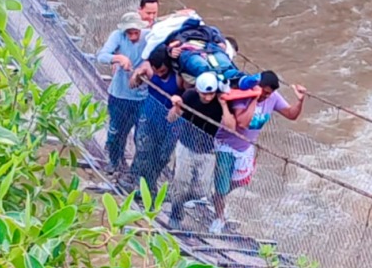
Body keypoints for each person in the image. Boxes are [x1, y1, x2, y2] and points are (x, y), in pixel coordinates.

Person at [210, 71, 307, 233]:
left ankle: (217, 197)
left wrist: (300, 100)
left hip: (246, 147)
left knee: (239, 182)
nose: (265, 96)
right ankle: (219, 218)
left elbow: (291, 114)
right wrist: (254, 98)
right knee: (221, 186)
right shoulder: (242, 95)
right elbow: (243, 122)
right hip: (225, 145)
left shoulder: (273, 98)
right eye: (263, 91)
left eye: (268, 94)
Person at [165, 72, 236, 230]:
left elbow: (231, 128)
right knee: (181, 183)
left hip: (208, 150)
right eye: (205, 93)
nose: (208, 97)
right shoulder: (190, 96)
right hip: (186, 145)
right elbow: (171, 118)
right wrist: (177, 106)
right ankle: (175, 215)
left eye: (211, 93)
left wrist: (224, 105)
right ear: (198, 90)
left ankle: (181, 200)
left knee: (201, 190)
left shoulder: (220, 102)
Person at [120, 44, 183, 194]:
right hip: (150, 115)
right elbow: (132, 85)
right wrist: (137, 75)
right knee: (144, 148)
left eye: (162, 71)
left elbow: (189, 94)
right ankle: (134, 179)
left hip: (171, 121)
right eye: (156, 71)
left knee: (163, 155)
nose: (159, 74)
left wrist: (180, 105)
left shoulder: (179, 76)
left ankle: (150, 184)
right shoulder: (148, 68)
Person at [96, 12, 148, 175]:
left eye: (136, 33)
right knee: (116, 132)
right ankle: (114, 161)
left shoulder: (149, 37)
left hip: (142, 97)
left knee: (142, 136)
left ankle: (136, 171)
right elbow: (102, 56)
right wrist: (118, 58)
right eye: (129, 33)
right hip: (119, 95)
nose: (132, 36)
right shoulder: (117, 36)